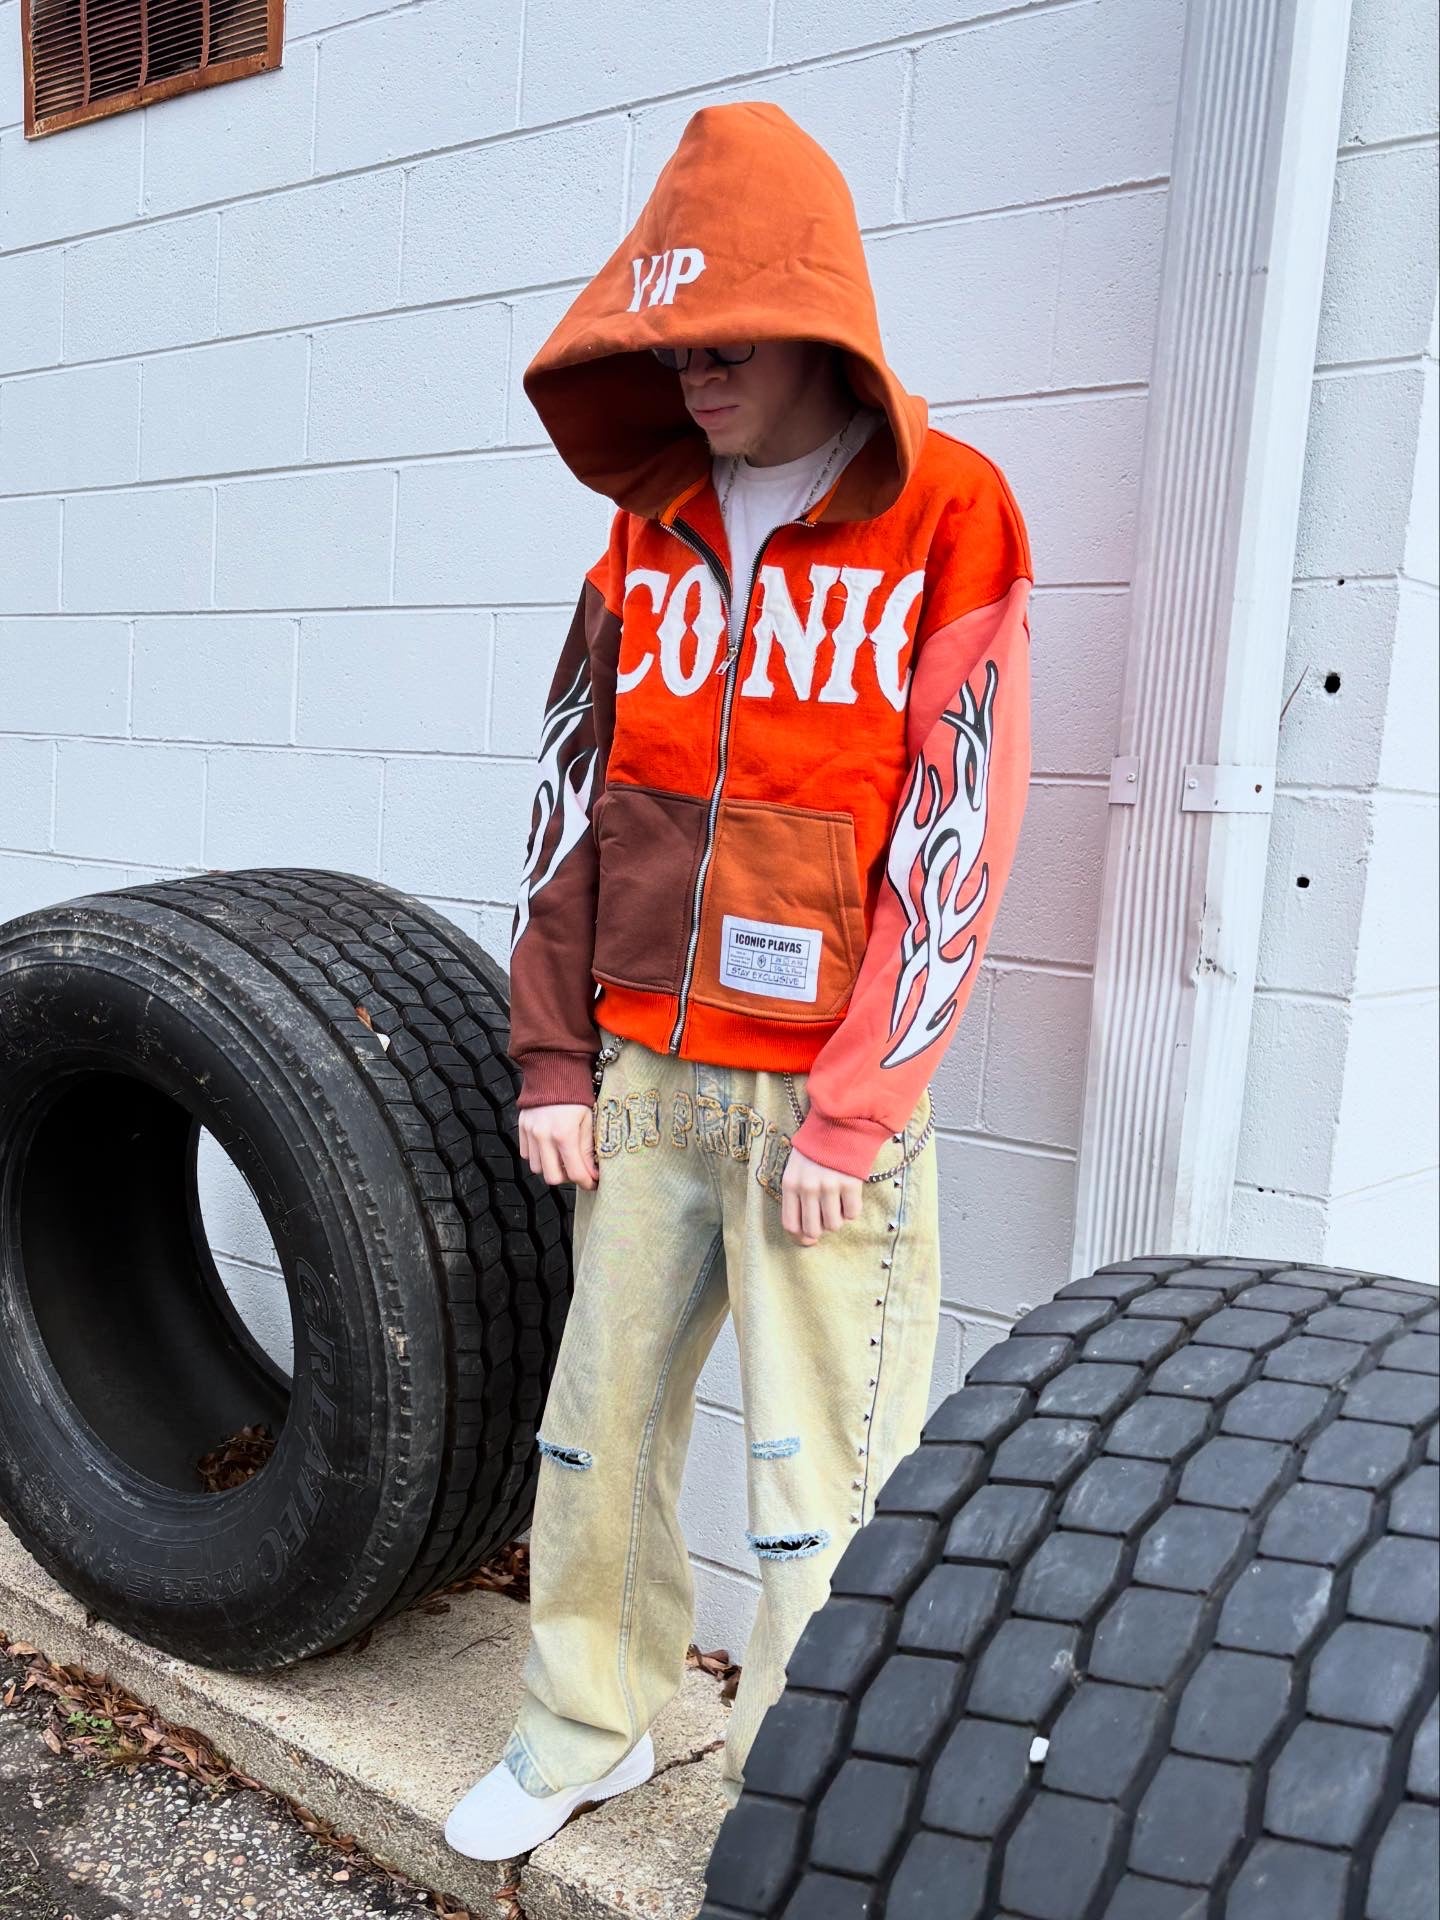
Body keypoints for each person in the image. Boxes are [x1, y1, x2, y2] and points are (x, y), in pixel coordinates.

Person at [445, 99, 1032, 1864]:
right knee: (593, 1436)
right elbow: (570, 798)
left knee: (817, 1483)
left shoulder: (950, 513)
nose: (693, 374)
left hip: (819, 1105)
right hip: (641, 1079)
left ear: (817, 323)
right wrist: (555, 1058)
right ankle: (586, 1725)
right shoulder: (646, 531)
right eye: (673, 343)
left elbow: (958, 831)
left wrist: (858, 1108)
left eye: (727, 341)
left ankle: (799, 1803)